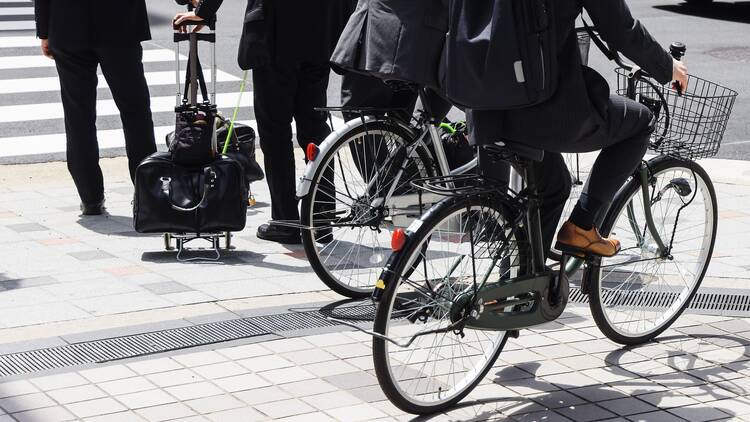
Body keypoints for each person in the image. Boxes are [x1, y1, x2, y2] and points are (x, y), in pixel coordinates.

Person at [467, 0, 689, 258]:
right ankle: (582, 226)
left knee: (553, 187)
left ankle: (513, 289)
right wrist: (667, 66)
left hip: (483, 105)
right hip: (539, 106)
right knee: (641, 121)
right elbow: (619, 27)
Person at [175, 0, 353, 244]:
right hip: (321, 33)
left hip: (275, 36)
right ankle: (321, 219)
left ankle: (286, 221)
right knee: (314, 127)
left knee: (276, 132)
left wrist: (204, 12)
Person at [34, 0, 157, 216]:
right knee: (135, 110)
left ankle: (90, 197)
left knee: (78, 114)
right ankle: (147, 193)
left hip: (67, 24)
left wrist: (44, 29)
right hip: (119, 23)